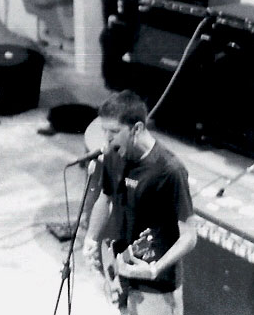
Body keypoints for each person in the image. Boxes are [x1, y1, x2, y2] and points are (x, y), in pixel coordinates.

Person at [82, 90, 196, 315]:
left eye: (114, 132)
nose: (107, 139)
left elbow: (190, 236)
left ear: (137, 128)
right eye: (104, 131)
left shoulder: (169, 170)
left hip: (156, 285)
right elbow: (105, 198)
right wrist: (90, 240)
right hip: (121, 269)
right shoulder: (114, 156)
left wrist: (154, 270)